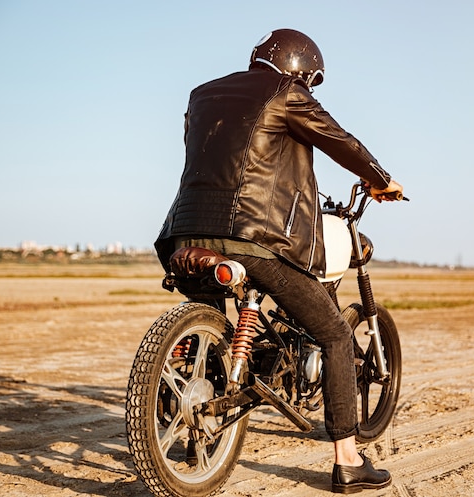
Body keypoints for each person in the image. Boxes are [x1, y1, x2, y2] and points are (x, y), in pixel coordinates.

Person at [155, 28, 403, 494]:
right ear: (301, 70)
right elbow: (337, 139)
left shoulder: (202, 94)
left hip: (183, 235)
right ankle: (348, 461)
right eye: (310, 80)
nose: (308, 88)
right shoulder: (286, 93)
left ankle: (190, 424)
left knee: (216, 314)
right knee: (332, 330)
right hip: (253, 237)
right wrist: (380, 179)